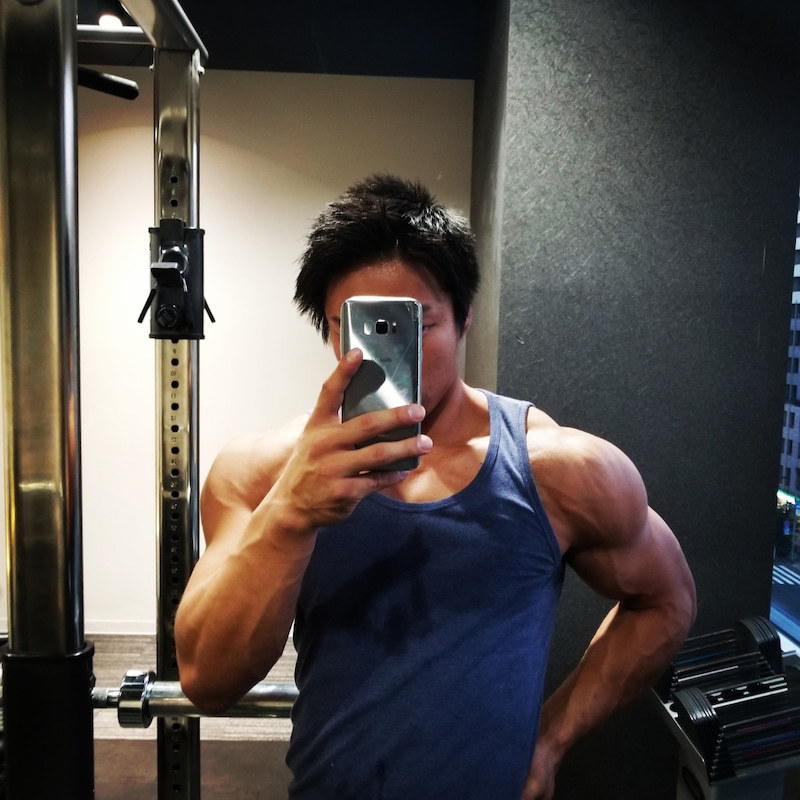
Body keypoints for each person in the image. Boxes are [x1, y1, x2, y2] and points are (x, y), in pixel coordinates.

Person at [174, 174, 696, 800]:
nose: (385, 354)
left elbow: (666, 602)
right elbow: (207, 680)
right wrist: (289, 515)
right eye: (358, 327)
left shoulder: (559, 469)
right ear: (329, 330)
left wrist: (550, 741)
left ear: (465, 318)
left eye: (413, 324)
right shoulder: (261, 474)